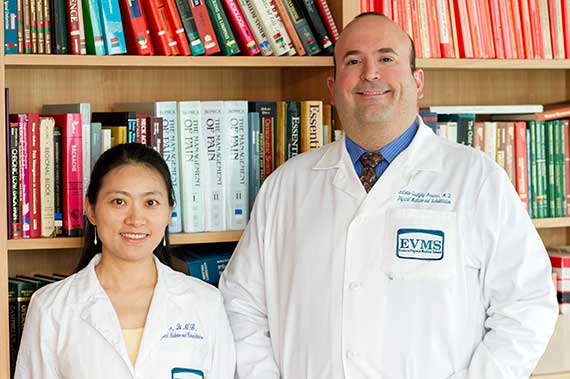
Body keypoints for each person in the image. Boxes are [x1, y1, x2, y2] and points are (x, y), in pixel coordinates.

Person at [218, 12, 558, 378]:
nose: (370, 73)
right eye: (353, 60)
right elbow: (242, 307)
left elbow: (525, 306)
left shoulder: (477, 180)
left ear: (418, 81)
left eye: (386, 58)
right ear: (332, 87)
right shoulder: (286, 187)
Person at [15, 143, 235, 379]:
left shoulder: (206, 304)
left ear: (169, 211)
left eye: (150, 203)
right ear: (91, 209)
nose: (135, 219)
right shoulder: (51, 308)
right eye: (119, 202)